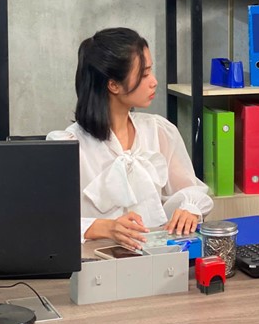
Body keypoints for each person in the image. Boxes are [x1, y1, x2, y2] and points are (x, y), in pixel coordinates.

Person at [47, 27, 213, 249]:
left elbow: (190, 190)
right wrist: (104, 227)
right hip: (93, 261)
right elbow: (47, 222)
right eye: (144, 75)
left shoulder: (159, 131)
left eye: (150, 71)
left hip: (157, 255)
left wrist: (189, 210)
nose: (154, 81)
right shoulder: (68, 146)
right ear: (113, 85)